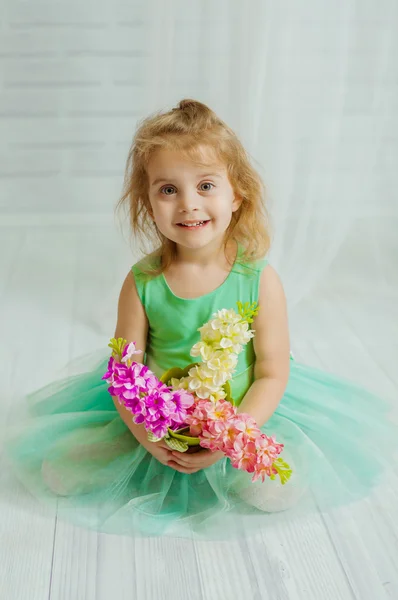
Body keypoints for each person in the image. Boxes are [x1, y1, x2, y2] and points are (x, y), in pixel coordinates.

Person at [4, 99, 397, 541]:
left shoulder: (259, 280)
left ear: (237, 194)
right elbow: (124, 373)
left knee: (276, 490)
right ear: (149, 205)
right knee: (58, 473)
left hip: (242, 412)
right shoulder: (143, 283)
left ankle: (234, 465)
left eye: (206, 185)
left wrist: (230, 439)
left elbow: (271, 372)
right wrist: (147, 438)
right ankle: (134, 455)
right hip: (156, 413)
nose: (188, 204)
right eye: (168, 190)